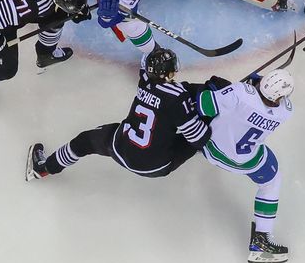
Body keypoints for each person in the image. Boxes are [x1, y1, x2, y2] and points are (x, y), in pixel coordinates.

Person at [26, 48, 210, 181]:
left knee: (84, 142)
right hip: (156, 167)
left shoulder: (145, 81)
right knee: (204, 128)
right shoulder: (179, 97)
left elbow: (148, 59)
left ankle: (44, 169)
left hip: (120, 149)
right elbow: (198, 138)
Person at [194, 69, 295, 263]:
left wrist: (237, 87)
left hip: (210, 149)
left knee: (213, 92)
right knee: (272, 181)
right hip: (244, 161)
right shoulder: (286, 111)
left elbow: (203, 105)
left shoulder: (240, 93)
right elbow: (266, 103)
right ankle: (261, 240)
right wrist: (256, 82)